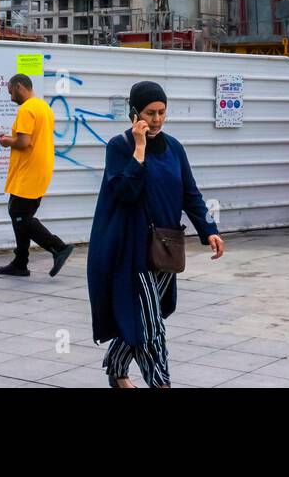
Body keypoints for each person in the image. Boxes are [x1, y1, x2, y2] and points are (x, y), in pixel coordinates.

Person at [87, 80, 225, 389]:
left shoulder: (174, 147)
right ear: (135, 113)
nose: (157, 120)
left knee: (142, 315)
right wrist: (139, 149)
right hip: (131, 251)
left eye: (162, 112)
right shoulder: (119, 146)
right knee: (150, 324)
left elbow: (191, 194)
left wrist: (209, 230)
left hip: (165, 247)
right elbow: (124, 191)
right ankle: (161, 383)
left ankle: (117, 372)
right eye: (150, 113)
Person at [0, 73, 72, 278]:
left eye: (11, 91)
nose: (11, 97)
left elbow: (23, 142)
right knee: (19, 214)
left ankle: (58, 247)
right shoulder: (44, 107)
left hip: (29, 171)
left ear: (19, 86)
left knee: (21, 215)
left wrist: (6, 141)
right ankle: (20, 263)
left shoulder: (27, 109)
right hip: (40, 169)